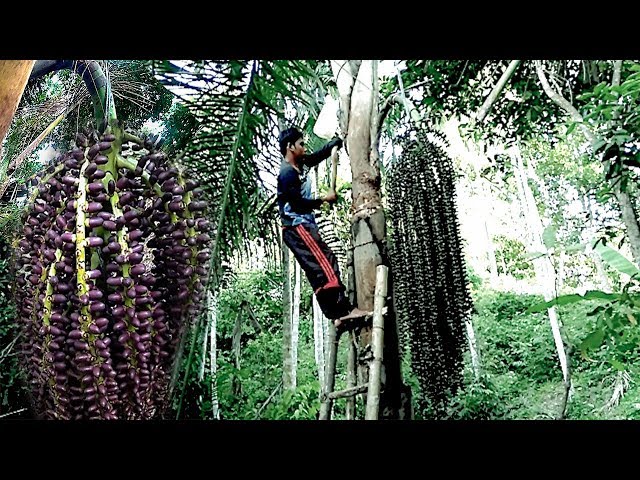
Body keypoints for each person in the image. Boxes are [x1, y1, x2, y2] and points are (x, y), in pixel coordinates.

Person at [277, 127, 370, 328]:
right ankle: (344, 311)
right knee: (326, 263)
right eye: (301, 143)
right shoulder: (287, 174)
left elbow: (318, 156)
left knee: (318, 270)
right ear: (289, 147)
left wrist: (334, 143)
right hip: (296, 227)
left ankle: (336, 314)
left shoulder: (301, 163)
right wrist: (324, 200)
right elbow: (298, 204)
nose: (304, 146)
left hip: (302, 226)